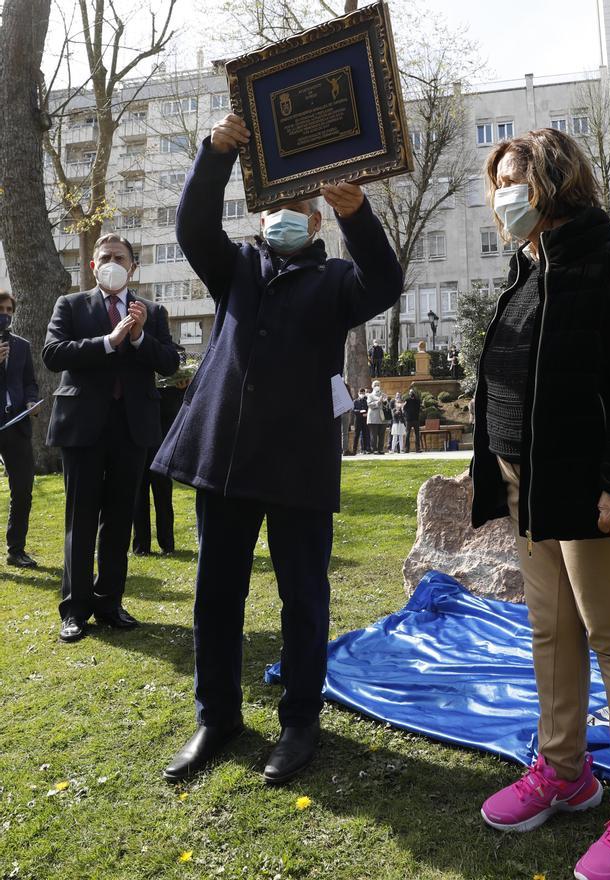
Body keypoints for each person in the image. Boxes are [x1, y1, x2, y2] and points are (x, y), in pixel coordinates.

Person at [152, 114, 402, 785]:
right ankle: (218, 715)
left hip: (297, 463)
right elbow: (192, 228)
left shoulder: (335, 281)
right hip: (225, 459)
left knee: (303, 596)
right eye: (278, 209)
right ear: (261, 217)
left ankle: (299, 722)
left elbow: (385, 284)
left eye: (301, 210)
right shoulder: (234, 269)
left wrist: (360, 214)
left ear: (317, 224)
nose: (288, 218)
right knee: (216, 592)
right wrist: (215, 153)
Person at [470, 128, 610, 880]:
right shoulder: (527, 271)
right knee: (552, 636)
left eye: (513, 180)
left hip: (595, 497)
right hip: (535, 495)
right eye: (497, 181)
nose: (502, 197)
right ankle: (565, 772)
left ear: (554, 184)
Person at [43, 234, 179, 643]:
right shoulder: (71, 305)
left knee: (119, 520)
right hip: (83, 426)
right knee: (80, 520)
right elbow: (54, 353)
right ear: (92, 266)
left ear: (133, 266)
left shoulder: (151, 312)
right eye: (105, 258)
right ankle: (75, 609)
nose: (112, 263)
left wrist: (138, 338)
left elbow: (171, 361)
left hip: (131, 427)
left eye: (120, 257)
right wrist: (109, 341)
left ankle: (110, 602)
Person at [132, 355, 189, 555]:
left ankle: (167, 543)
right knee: (139, 489)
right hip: (137, 428)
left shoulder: (172, 354)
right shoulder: (134, 349)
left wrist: (182, 387)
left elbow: (180, 395)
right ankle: (141, 545)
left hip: (163, 429)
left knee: (162, 488)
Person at [0, 291, 40, 568]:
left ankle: (16, 549)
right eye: (0, 308)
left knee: (23, 489)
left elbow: (30, 381)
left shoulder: (22, 346)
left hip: (16, 425)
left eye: (8, 309)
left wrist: (31, 400)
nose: (5, 314)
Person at [366, 379, 388, 454]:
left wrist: (385, 402)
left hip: (382, 417)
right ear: (372, 386)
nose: (377, 386)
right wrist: (378, 402)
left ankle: (380, 449)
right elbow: (370, 405)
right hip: (373, 417)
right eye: (375, 385)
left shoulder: (383, 394)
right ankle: (374, 449)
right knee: (374, 435)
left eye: (378, 385)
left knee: (382, 434)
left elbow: (387, 406)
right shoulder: (370, 396)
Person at [352, 387, 371, 454]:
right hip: (358, 420)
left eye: (363, 393)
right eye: (360, 393)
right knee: (356, 435)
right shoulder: (355, 401)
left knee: (365, 434)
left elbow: (368, 409)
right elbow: (353, 410)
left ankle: (365, 449)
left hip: (365, 420)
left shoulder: (366, 401)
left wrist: (366, 414)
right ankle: (354, 450)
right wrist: (360, 411)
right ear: (358, 393)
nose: (362, 394)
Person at [403, 387, 421, 453]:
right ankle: (410, 449)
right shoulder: (409, 400)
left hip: (413, 419)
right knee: (410, 434)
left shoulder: (415, 400)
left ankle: (414, 449)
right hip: (411, 419)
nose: (411, 393)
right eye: (411, 392)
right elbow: (404, 409)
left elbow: (404, 409)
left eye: (411, 392)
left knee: (415, 434)